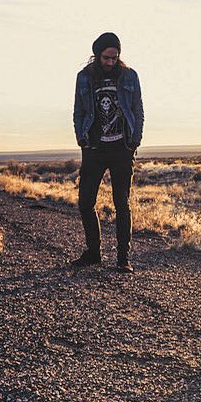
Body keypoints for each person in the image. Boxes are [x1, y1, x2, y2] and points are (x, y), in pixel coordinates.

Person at [71, 32, 144, 273]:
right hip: (94, 148)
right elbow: (79, 111)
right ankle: (93, 253)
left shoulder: (129, 76)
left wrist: (135, 140)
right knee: (85, 203)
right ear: (97, 55)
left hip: (122, 149)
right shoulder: (84, 78)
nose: (111, 62)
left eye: (115, 57)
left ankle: (123, 258)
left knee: (121, 204)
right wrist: (81, 139)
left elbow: (137, 108)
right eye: (106, 57)